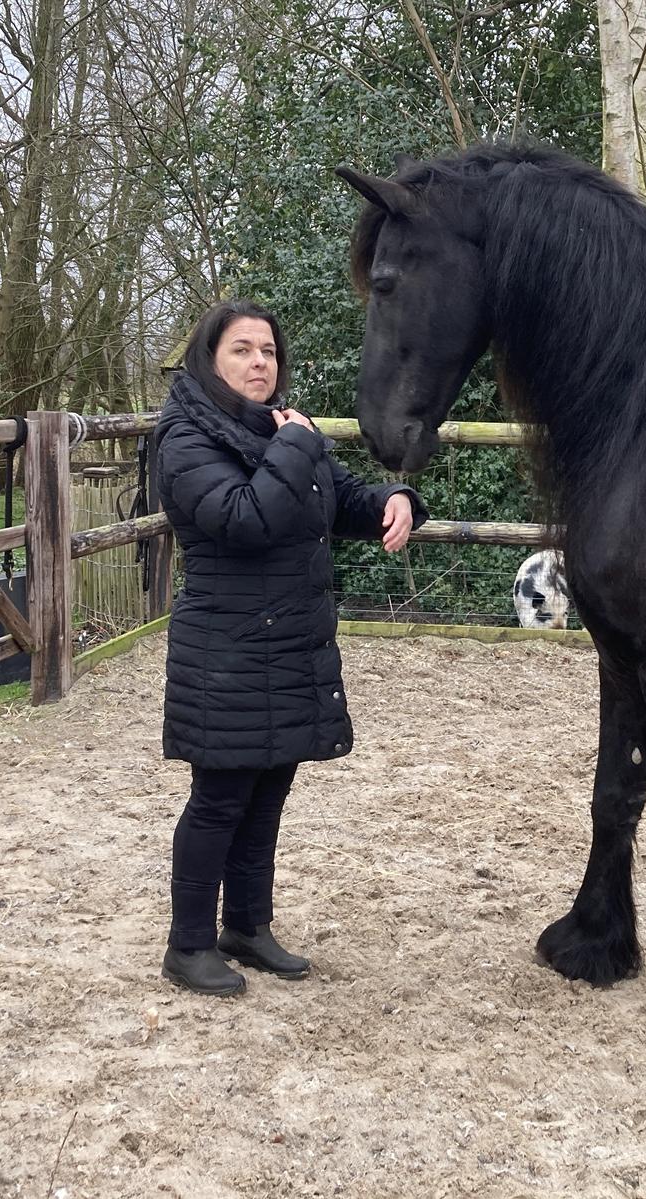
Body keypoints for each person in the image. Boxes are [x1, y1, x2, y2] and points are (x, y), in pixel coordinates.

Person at [155, 299, 424, 996]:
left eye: (269, 351)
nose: (260, 363)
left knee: (268, 789)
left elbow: (340, 499)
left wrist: (393, 499)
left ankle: (246, 926)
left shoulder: (279, 429)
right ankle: (188, 944)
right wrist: (297, 445)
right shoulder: (185, 438)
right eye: (242, 349)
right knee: (219, 798)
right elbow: (246, 518)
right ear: (210, 359)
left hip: (287, 646)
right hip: (226, 651)